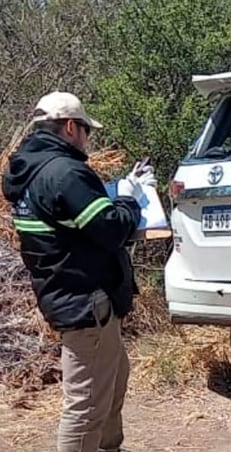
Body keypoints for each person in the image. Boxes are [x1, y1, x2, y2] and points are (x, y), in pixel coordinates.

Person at [1, 91, 156, 452]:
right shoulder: (65, 173)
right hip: (86, 302)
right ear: (71, 127)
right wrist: (131, 198)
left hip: (70, 294)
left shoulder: (32, 169)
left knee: (114, 379)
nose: (88, 139)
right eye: (86, 130)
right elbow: (111, 229)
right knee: (85, 406)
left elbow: (80, 220)